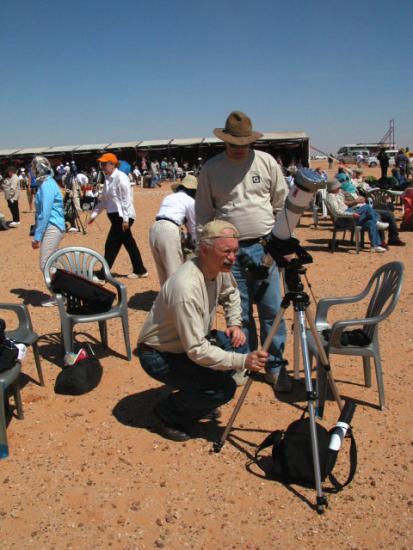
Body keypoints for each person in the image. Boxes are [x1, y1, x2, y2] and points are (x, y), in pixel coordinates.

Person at [137, 220, 268, 441]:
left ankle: (198, 397)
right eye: (226, 251)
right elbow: (197, 350)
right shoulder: (186, 287)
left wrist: (234, 323)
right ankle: (166, 413)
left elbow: (231, 293)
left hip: (188, 344)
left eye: (235, 251)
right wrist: (243, 362)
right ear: (205, 250)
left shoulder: (218, 267)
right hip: (159, 354)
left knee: (237, 344)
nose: (232, 257)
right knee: (224, 388)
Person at [195, 111, 291, 391]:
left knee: (272, 308)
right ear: (224, 141)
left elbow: (281, 204)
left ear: (251, 142)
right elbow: (203, 212)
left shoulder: (266, 162)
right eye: (233, 144)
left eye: (243, 145)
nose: (238, 150)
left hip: (265, 248)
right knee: (239, 313)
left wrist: (280, 242)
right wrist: (207, 249)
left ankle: (274, 366)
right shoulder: (211, 169)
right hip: (228, 255)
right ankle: (243, 365)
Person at [88, 152, 148, 280]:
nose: (102, 166)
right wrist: (94, 214)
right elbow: (104, 201)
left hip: (123, 217)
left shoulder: (121, 177)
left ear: (113, 164)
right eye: (101, 164)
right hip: (116, 217)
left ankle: (103, 274)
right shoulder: (107, 179)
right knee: (129, 243)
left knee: (111, 244)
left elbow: (126, 200)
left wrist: (125, 220)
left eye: (104, 164)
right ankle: (140, 270)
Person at [149, 174, 198, 286]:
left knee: (162, 269)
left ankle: (165, 299)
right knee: (173, 270)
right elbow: (193, 226)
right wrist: (194, 243)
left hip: (154, 228)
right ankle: (175, 300)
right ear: (192, 190)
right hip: (169, 229)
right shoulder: (190, 201)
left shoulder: (169, 197)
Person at [31, 156, 66, 306]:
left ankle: (59, 296)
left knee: (46, 263)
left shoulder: (46, 185)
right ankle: (62, 293)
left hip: (52, 226)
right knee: (53, 263)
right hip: (52, 226)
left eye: (33, 167)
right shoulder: (46, 184)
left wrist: (37, 236)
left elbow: (45, 213)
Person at [326, 179, 389, 252]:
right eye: (338, 187)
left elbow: (344, 204)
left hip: (348, 216)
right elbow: (337, 212)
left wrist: (355, 205)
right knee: (367, 207)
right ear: (333, 188)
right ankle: (377, 221)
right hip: (343, 219)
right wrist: (352, 214)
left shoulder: (337, 194)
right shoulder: (330, 197)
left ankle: (375, 246)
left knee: (371, 222)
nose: (339, 188)